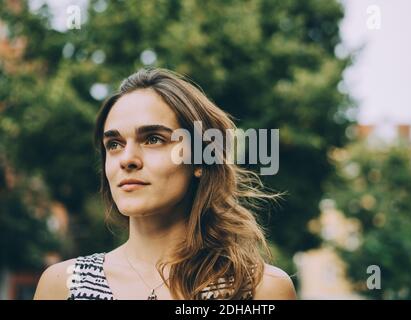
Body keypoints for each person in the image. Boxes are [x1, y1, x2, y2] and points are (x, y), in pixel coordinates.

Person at [33, 68, 297, 300]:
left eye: (153, 139)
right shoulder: (63, 286)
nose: (127, 160)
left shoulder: (259, 289)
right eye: (114, 144)